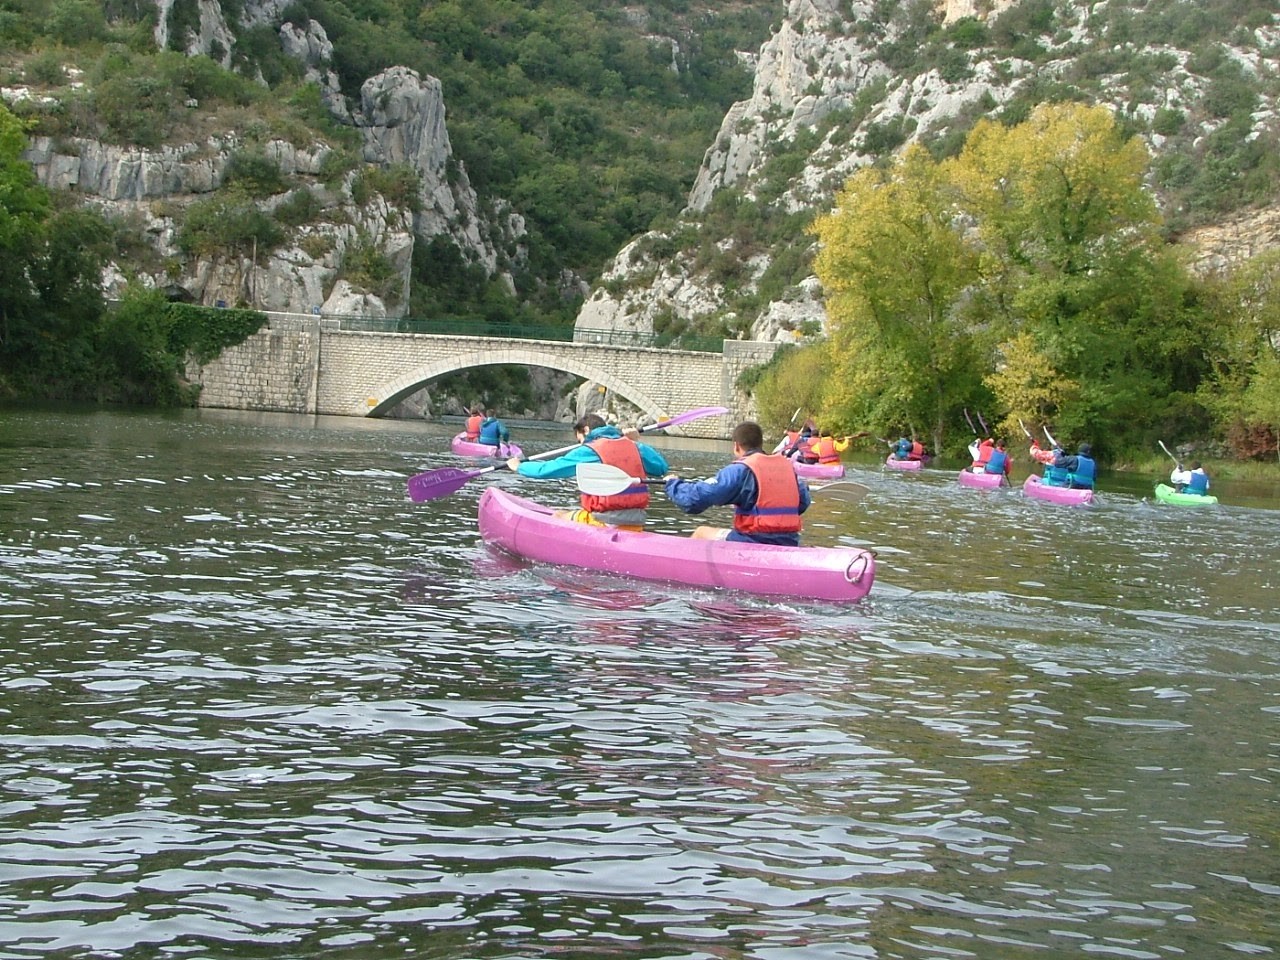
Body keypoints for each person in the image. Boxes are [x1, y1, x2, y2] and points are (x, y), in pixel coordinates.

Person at [506, 414, 668, 531]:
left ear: (586, 430)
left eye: (579, 439)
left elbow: (546, 470)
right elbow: (661, 468)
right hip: (637, 520)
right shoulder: (634, 446)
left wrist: (519, 466)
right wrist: (636, 441)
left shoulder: (589, 450)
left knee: (559, 516)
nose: (580, 444)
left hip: (603, 520)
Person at [664, 421, 811, 546]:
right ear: (760, 443)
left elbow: (693, 501)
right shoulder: (788, 468)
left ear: (736, 446)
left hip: (754, 541)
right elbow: (803, 502)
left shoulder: (741, 470)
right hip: (789, 541)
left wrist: (673, 484)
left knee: (701, 532)